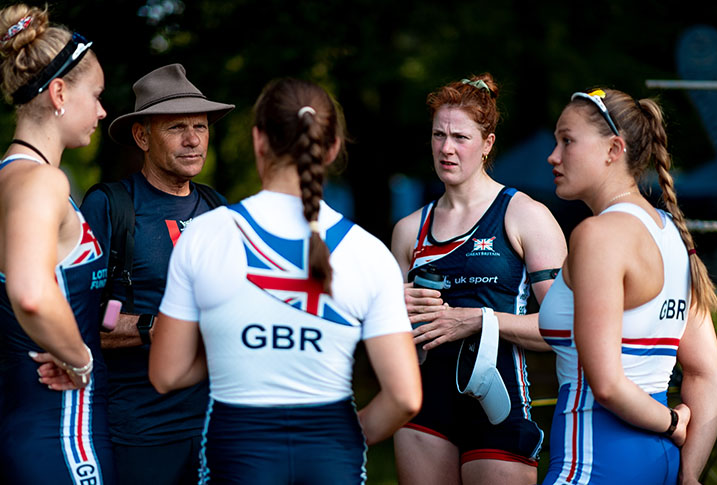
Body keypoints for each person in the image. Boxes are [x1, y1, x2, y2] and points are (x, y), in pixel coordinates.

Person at [149, 78, 422, 484]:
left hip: (238, 447)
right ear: (331, 148)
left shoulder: (205, 236)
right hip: (332, 450)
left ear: (259, 140)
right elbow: (404, 397)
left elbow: (166, 374)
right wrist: (347, 435)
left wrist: (232, 344)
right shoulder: (368, 252)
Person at [539, 88, 717, 484]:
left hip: (593, 462)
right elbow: (707, 373)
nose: (553, 156)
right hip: (660, 464)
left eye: (567, 141)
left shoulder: (598, 235)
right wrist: (689, 473)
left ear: (613, 149)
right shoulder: (671, 234)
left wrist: (672, 421)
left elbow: (605, 384)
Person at [390, 74, 567, 485]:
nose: (446, 148)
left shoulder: (525, 215)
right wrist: (389, 310)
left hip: (498, 404)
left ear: (487, 144)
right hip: (423, 405)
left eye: (460, 137)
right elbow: (386, 336)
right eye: (438, 135)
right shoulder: (408, 229)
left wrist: (478, 319)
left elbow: (567, 328)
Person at [0, 4, 112, 483]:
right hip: (64, 441)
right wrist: (80, 359)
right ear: (61, 92)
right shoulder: (43, 183)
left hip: (10, 437)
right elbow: (29, 293)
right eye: (97, 95)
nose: (102, 111)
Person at [73, 64, 234, 485]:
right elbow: (87, 321)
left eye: (200, 125)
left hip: (217, 426)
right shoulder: (110, 207)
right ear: (142, 137)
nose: (193, 139)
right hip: (138, 431)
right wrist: (154, 326)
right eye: (176, 127)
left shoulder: (220, 210)